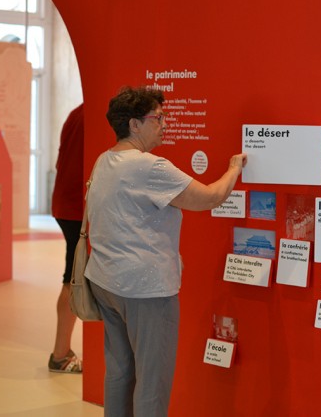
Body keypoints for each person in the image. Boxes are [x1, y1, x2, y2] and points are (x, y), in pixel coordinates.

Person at [85, 86, 246, 417]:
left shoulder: (105, 160)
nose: (164, 124)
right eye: (157, 118)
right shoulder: (150, 167)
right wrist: (234, 168)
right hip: (145, 290)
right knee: (152, 383)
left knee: (119, 372)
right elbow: (209, 197)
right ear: (134, 124)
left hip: (106, 281)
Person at [49, 103, 84, 373]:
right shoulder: (96, 114)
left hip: (66, 204)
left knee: (73, 276)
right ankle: (60, 354)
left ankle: (62, 352)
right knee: (73, 279)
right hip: (77, 208)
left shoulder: (77, 113)